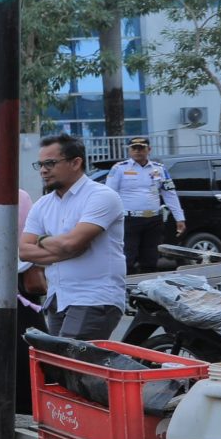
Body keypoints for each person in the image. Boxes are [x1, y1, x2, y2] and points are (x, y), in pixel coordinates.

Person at [21, 133, 128, 338]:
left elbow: (72, 243)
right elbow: (25, 251)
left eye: (50, 163)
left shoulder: (101, 196)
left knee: (70, 364)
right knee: (58, 366)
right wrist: (64, 250)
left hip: (94, 298)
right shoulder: (43, 204)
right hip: (58, 298)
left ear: (76, 162)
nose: (43, 170)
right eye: (40, 164)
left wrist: (42, 240)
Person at [104, 138, 185, 274]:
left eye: (141, 148)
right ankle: (126, 291)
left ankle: (147, 289)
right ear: (129, 150)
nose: (137, 151)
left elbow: (169, 193)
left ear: (149, 150)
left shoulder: (159, 169)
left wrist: (179, 218)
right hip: (129, 220)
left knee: (151, 259)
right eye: (134, 148)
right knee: (127, 258)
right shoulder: (120, 168)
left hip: (153, 220)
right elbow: (109, 194)